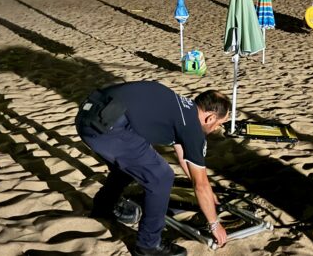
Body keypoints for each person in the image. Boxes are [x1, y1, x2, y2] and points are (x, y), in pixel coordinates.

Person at [76, 81, 230, 256]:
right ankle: (148, 246)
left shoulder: (183, 108)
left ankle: (103, 208)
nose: (216, 129)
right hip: (107, 128)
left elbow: (184, 158)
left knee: (131, 166)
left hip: (88, 116)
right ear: (210, 118)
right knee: (161, 177)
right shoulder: (193, 128)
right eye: (219, 124)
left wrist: (208, 193)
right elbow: (200, 185)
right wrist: (215, 224)